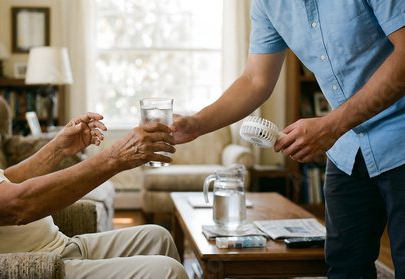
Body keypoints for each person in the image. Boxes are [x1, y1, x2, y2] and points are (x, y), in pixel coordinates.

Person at [0, 43, 189, 279]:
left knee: (158, 237)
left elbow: (4, 181)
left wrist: (57, 149)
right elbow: (17, 206)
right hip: (43, 266)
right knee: (168, 271)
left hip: (60, 246)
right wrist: (116, 158)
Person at [170, 1, 405, 278]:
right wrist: (197, 124)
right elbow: (255, 80)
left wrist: (332, 125)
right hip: (347, 149)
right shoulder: (267, 4)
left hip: (398, 137)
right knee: (345, 267)